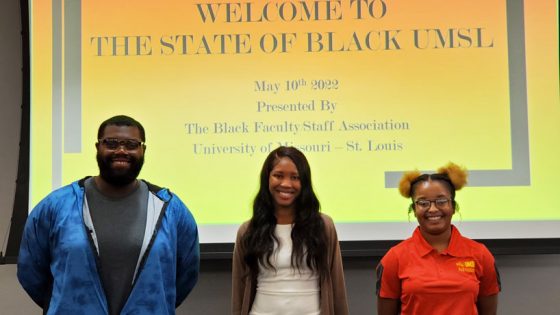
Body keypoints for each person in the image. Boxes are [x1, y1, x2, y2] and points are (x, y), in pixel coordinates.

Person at [17, 115, 200, 315]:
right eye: (111, 143)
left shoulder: (171, 210)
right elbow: (31, 272)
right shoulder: (56, 206)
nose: (121, 151)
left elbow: (185, 276)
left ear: (143, 150)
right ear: (98, 148)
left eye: (131, 144)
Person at [231, 146, 349, 315]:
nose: (286, 184)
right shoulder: (248, 230)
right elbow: (239, 290)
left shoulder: (323, 226)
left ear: (304, 183)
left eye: (295, 177)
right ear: (267, 178)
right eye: (278, 175)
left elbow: (337, 287)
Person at [376, 162, 501, 315]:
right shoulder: (394, 258)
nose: (433, 209)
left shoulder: (480, 255)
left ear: (453, 207)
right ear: (414, 210)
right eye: (423, 203)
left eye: (441, 201)